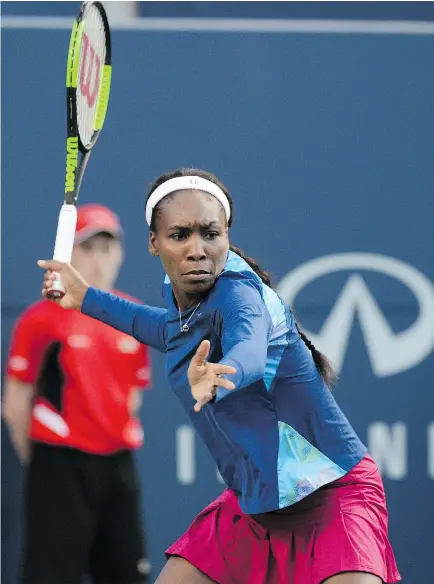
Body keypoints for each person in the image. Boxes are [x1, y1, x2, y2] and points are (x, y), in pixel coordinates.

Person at [38, 170, 401, 584]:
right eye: (179, 235)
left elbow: (248, 347)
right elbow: (158, 328)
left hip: (334, 497)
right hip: (254, 508)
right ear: (154, 243)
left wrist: (221, 374)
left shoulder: (241, 294)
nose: (197, 250)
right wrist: (85, 297)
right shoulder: (186, 309)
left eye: (210, 234)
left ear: (226, 236)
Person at [4, 204, 152, 584]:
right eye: (89, 248)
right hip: (60, 465)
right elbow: (15, 402)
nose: (100, 260)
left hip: (118, 465)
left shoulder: (133, 316)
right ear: (69, 255)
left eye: (108, 248)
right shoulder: (40, 319)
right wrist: (46, 459)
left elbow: (133, 394)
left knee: (126, 574)